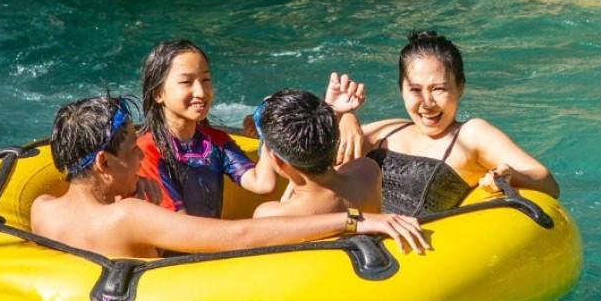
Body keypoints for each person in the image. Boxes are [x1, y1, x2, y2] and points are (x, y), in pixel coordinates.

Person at [30, 96, 429, 259]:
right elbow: (239, 238)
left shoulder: (42, 210)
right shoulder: (130, 215)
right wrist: (355, 220)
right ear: (103, 162)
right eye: (133, 148)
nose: (141, 155)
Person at [334, 31, 559, 215]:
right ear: (401, 89)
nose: (427, 103)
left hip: (405, 255)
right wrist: (342, 116)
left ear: (460, 87)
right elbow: (313, 168)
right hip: (353, 237)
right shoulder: (390, 129)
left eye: (438, 89)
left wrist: (512, 175)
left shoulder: (471, 134)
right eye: (415, 90)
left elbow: (548, 183)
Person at [135, 39, 278, 217]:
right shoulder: (147, 150)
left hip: (211, 240)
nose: (201, 92)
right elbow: (180, 225)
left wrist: (267, 129)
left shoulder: (216, 141)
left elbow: (262, 183)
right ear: (158, 93)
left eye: (205, 79)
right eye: (186, 82)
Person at [250, 88, 382, 219]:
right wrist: (340, 114)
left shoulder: (270, 215)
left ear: (277, 161)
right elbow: (328, 157)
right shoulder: (367, 171)